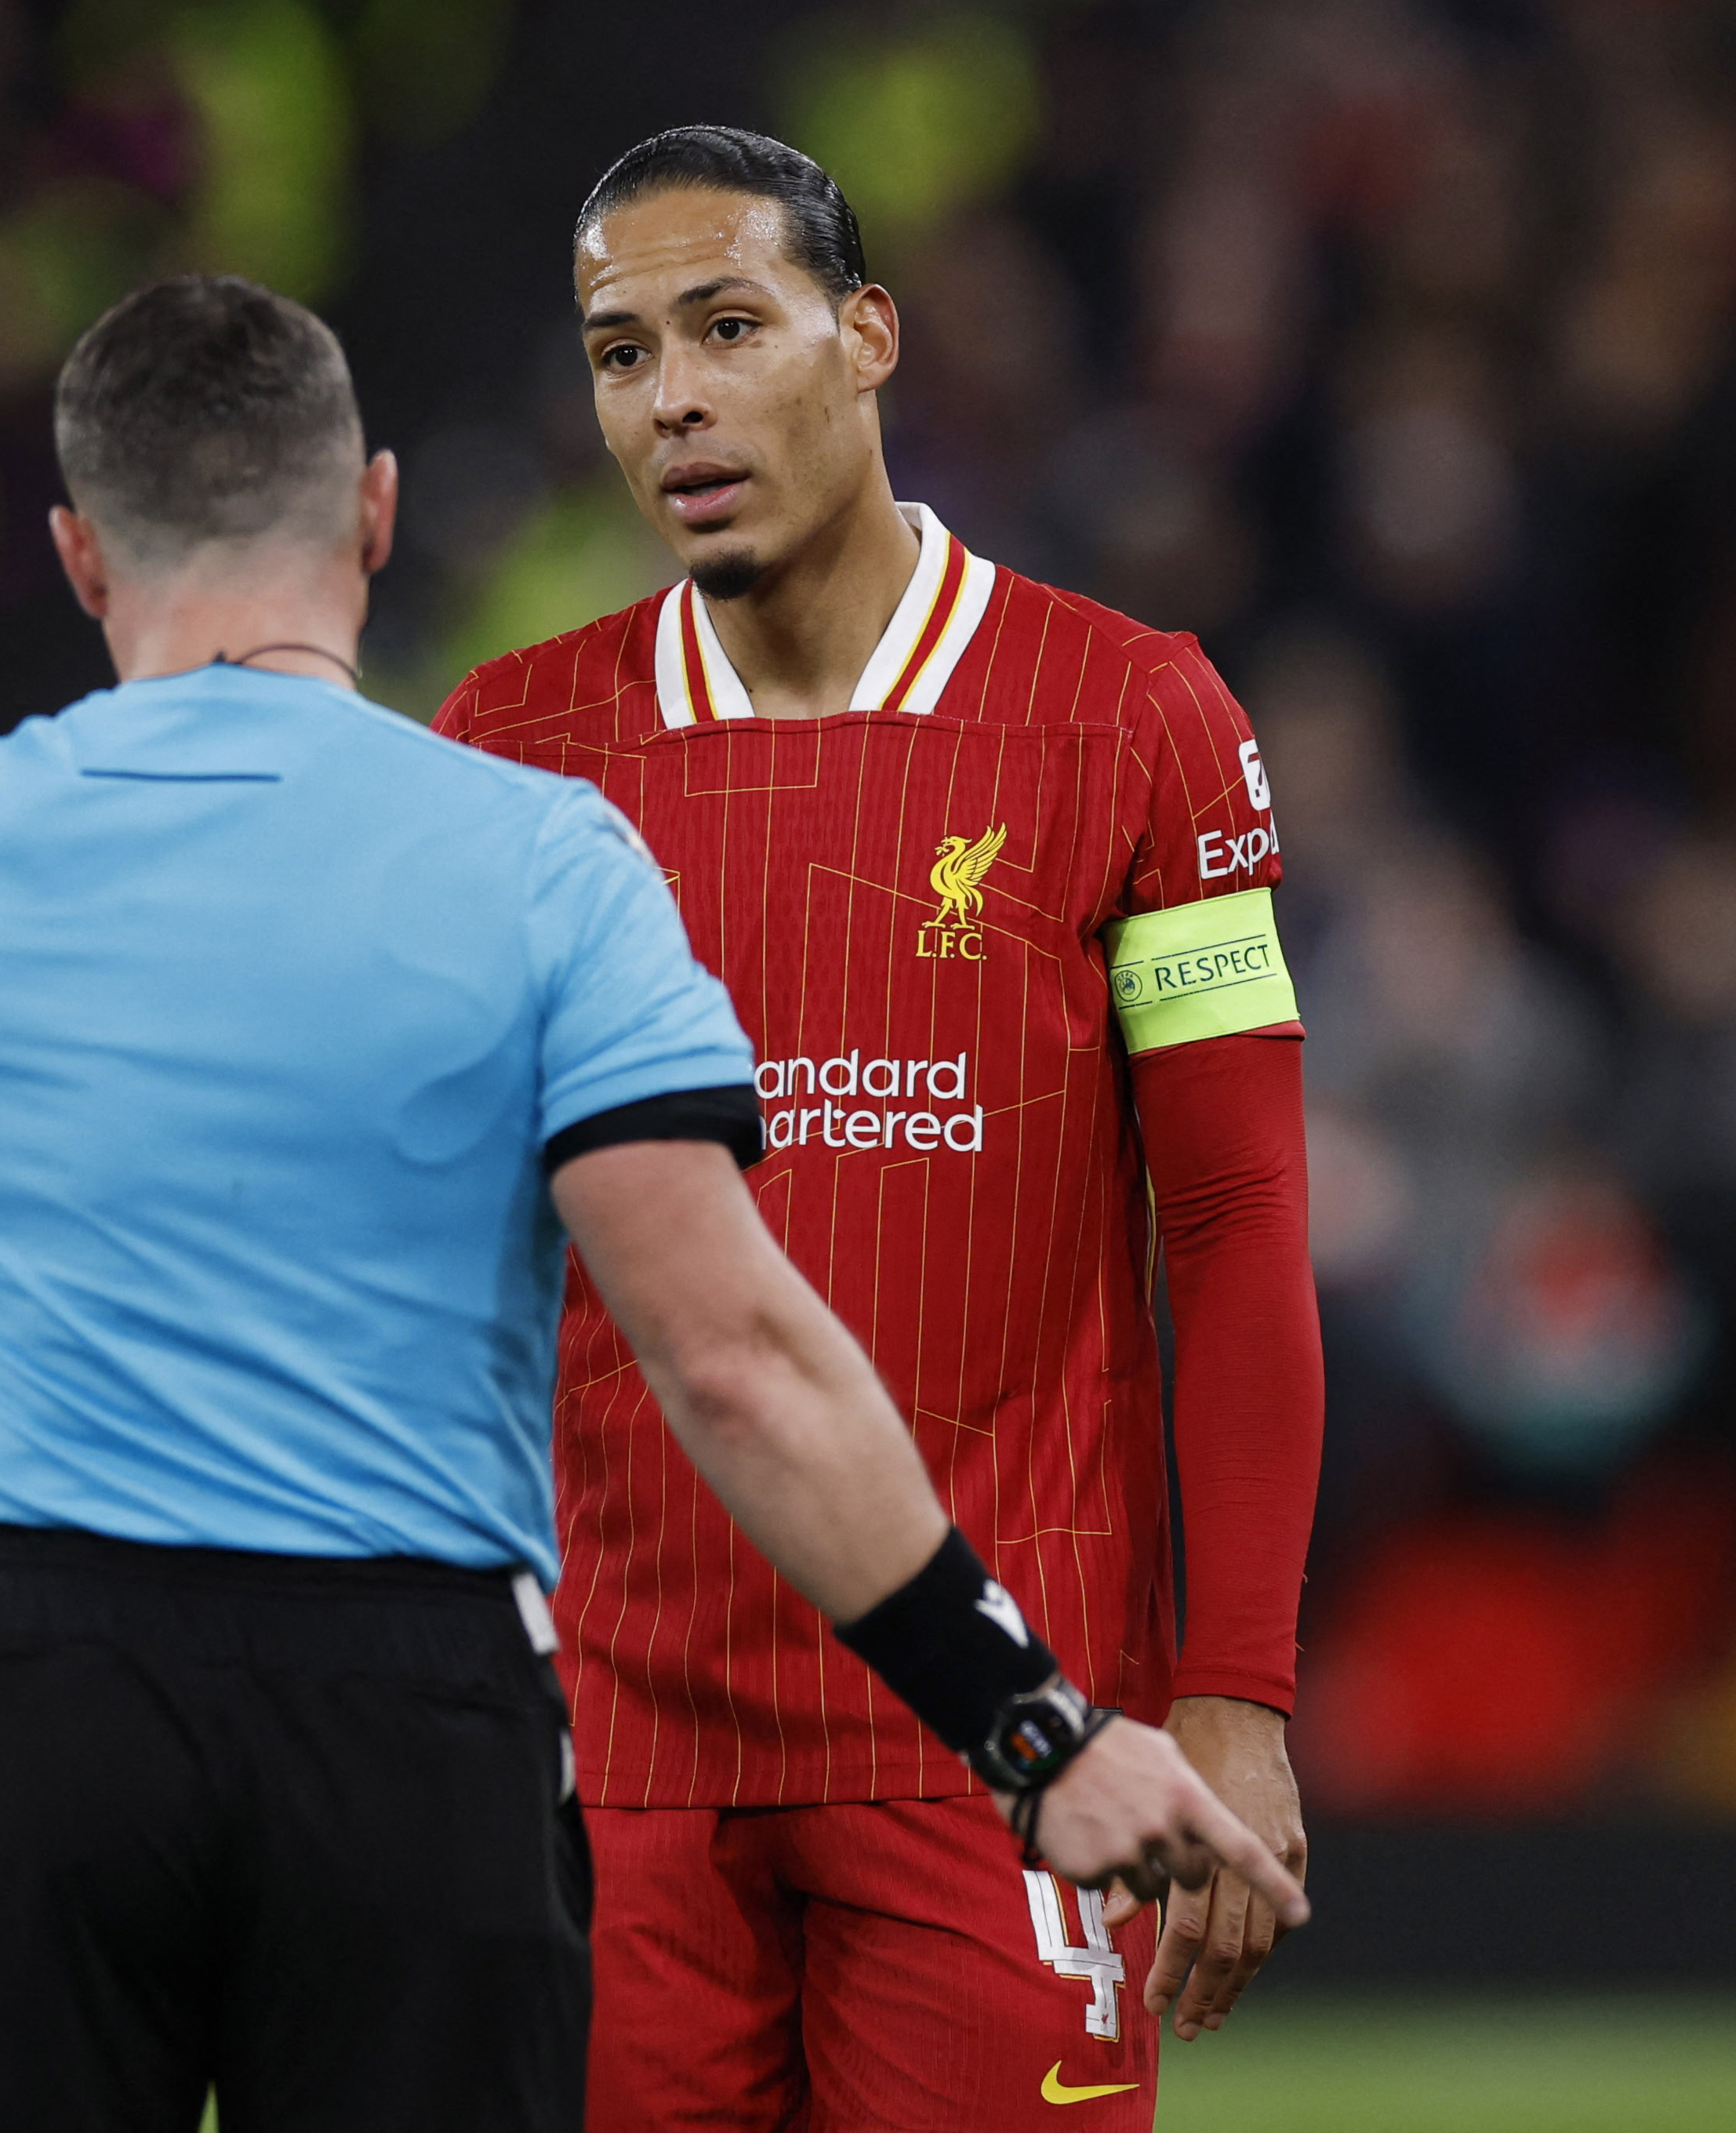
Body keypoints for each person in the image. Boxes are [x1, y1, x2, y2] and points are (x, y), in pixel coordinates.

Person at [0, 273, 1307, 2133]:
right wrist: (1030, 1725)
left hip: (42, 1696)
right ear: (378, 514)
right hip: (409, 1711)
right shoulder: (537, 846)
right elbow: (733, 1353)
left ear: (80, 553)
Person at [436, 130, 1324, 2128]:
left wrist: (1237, 1695)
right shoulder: (510, 748)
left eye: (727, 327)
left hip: (1007, 1737)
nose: (670, 397)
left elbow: (1244, 1218)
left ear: (867, 338)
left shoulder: (1135, 721)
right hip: (613, 1757)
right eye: (617, 351)